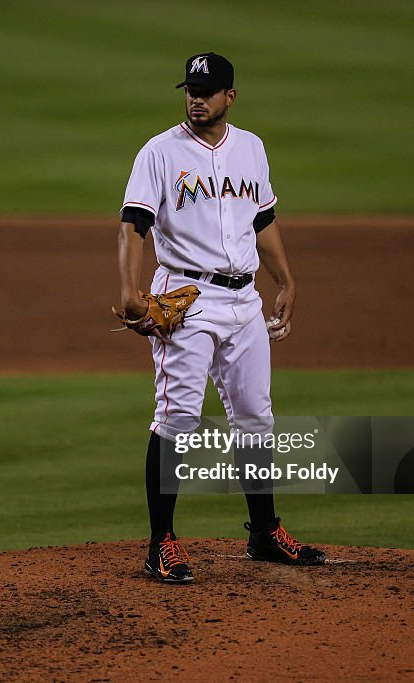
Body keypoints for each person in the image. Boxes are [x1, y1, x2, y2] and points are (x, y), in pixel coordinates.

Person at [116, 52, 326, 583]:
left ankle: (264, 532)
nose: (196, 98)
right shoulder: (159, 152)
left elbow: (263, 219)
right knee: (179, 418)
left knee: (256, 415)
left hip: (245, 302)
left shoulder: (251, 149)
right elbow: (133, 224)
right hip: (186, 299)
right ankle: (160, 543)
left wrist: (287, 280)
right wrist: (130, 291)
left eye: (207, 91)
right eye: (190, 88)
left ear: (230, 96)